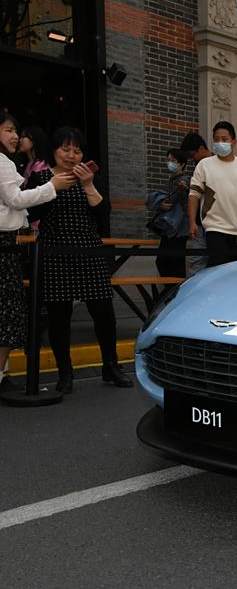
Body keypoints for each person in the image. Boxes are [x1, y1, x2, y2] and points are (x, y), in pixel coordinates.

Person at [26, 126, 132, 392]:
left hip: (89, 250)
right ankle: (65, 373)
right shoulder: (40, 177)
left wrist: (88, 185)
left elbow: (103, 215)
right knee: (59, 317)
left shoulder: (91, 177)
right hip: (54, 251)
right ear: (54, 151)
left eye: (77, 150)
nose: (72, 155)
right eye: (66, 149)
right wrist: (54, 186)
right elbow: (32, 212)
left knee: (104, 313)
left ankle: (111, 366)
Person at [0, 115, 76, 393]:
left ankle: (3, 374)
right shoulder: (4, 163)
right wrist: (51, 188)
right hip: (4, 243)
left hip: (9, 241)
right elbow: (16, 200)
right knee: (7, 313)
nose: (15, 137)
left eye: (16, 131)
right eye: (9, 130)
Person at [187, 121, 237, 267]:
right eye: (216, 139)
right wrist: (192, 221)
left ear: (233, 141)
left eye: (224, 139)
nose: (220, 142)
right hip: (215, 229)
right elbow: (194, 194)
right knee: (218, 270)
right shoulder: (204, 165)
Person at [151, 148, 190, 279]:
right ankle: (171, 293)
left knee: (169, 264)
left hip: (178, 228)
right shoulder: (173, 180)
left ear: (182, 164)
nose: (169, 163)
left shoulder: (184, 181)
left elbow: (182, 202)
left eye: (173, 161)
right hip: (172, 227)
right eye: (168, 160)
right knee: (168, 263)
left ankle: (173, 293)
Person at [180, 132, 213, 276]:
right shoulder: (198, 167)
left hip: (217, 225)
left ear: (201, 149)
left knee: (214, 265)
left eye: (192, 155)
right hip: (200, 225)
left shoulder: (219, 164)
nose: (191, 160)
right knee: (196, 264)